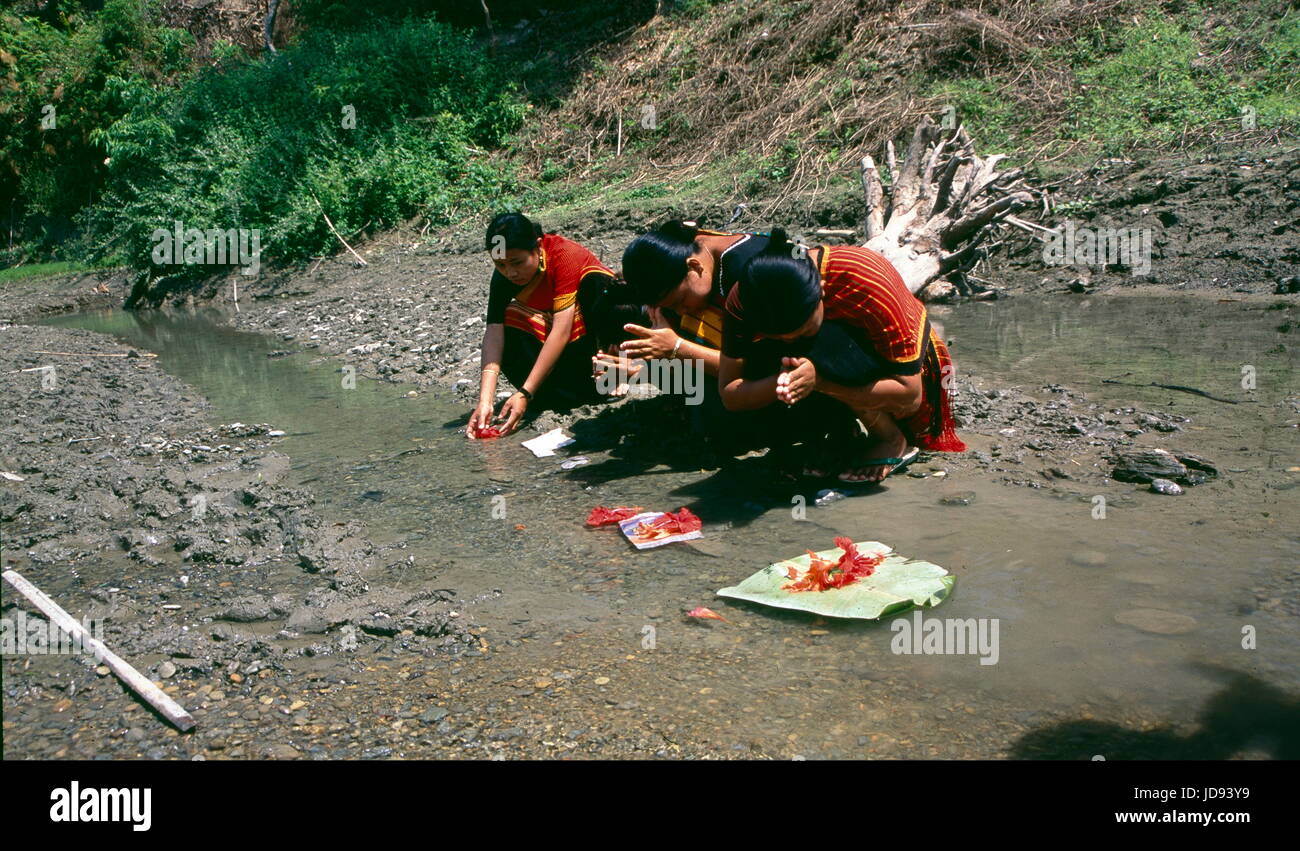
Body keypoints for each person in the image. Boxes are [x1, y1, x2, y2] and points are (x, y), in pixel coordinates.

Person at [719, 228, 966, 482]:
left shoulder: (864, 277)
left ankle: (890, 437)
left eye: (802, 330)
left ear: (822, 290)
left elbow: (910, 396)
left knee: (823, 343)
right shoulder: (743, 301)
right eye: (780, 337)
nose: (791, 342)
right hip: (821, 369)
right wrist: (784, 382)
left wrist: (820, 382)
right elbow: (730, 393)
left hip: (902, 373)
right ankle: (840, 435)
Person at [590, 220, 817, 459]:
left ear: (694, 267)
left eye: (679, 302)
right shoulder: (690, 267)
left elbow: (755, 366)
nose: (681, 311)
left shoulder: (750, 270)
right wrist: (640, 368)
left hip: (797, 369)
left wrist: (675, 348)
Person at [467, 213, 615, 438]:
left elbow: (562, 331)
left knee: (596, 285)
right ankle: (551, 395)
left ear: (537, 246)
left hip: (595, 345)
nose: (510, 273)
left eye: (517, 263)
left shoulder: (564, 255)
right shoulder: (504, 276)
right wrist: (485, 401)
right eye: (500, 265)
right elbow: (494, 333)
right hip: (561, 348)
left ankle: (609, 380)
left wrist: (525, 392)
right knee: (511, 317)